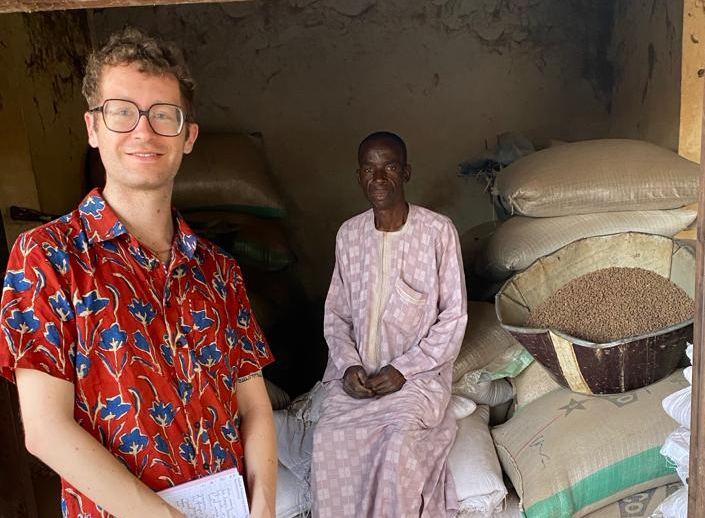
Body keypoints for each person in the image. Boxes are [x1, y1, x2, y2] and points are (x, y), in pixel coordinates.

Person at [0, 28, 277, 518]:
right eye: (122, 112)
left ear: (187, 136)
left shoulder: (219, 271)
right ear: (93, 128)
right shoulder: (47, 258)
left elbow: (253, 407)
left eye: (163, 115)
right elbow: (45, 430)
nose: (143, 131)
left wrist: (265, 509)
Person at [311, 131, 468, 518]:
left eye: (390, 167)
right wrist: (348, 366)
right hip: (358, 380)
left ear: (407, 173)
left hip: (416, 380)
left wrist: (404, 370)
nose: (379, 178)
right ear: (359, 176)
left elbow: (454, 316)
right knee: (328, 440)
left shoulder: (437, 231)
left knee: (398, 447)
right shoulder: (349, 235)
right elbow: (337, 315)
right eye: (369, 168)